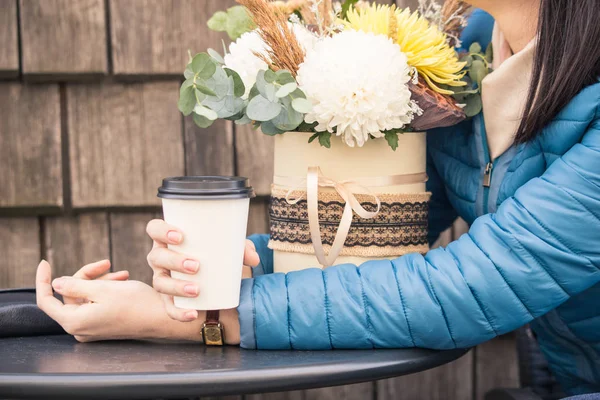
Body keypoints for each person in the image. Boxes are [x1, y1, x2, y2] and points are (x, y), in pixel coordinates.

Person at [36, 0, 600, 396]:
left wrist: (202, 321)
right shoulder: (473, 49)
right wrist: (209, 272)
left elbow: (464, 289)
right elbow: (379, 231)